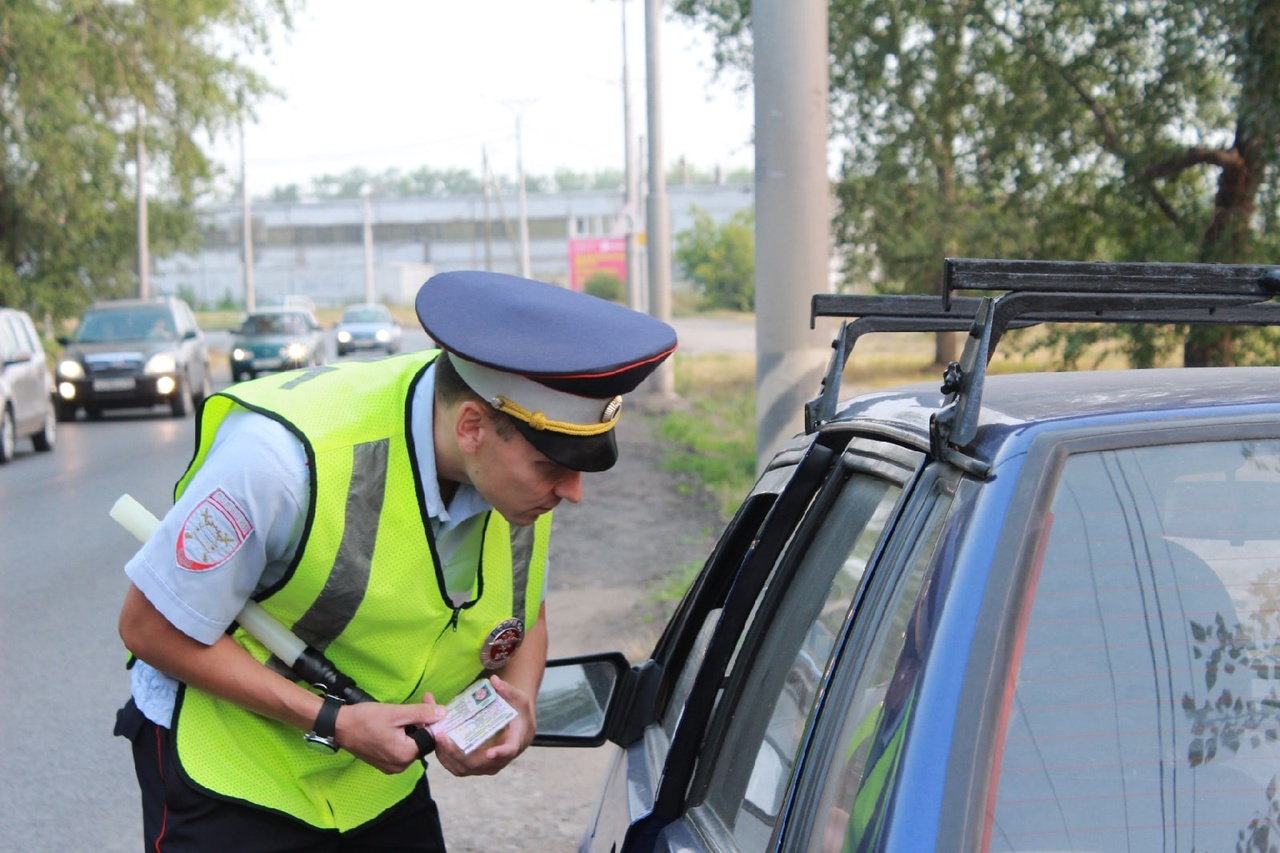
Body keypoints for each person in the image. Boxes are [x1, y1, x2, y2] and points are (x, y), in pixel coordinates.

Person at [113, 270, 677, 851]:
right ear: (472, 428)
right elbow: (148, 627)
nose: (573, 492)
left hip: (374, 775)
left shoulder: (524, 475)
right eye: (554, 467)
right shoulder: (282, 461)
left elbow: (522, 614)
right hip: (229, 768)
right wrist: (332, 722)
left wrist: (522, 704)